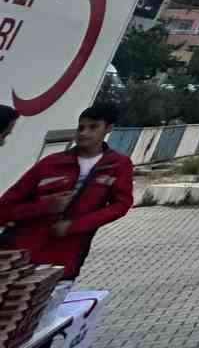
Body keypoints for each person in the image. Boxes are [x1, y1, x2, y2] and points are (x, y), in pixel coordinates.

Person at [0, 103, 133, 280]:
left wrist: (73, 226)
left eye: (93, 127)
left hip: (64, 260)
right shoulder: (51, 163)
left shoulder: (117, 165)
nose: (84, 133)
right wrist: (44, 206)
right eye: (81, 127)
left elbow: (121, 206)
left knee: (48, 306)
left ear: (109, 128)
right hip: (19, 256)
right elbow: (4, 208)